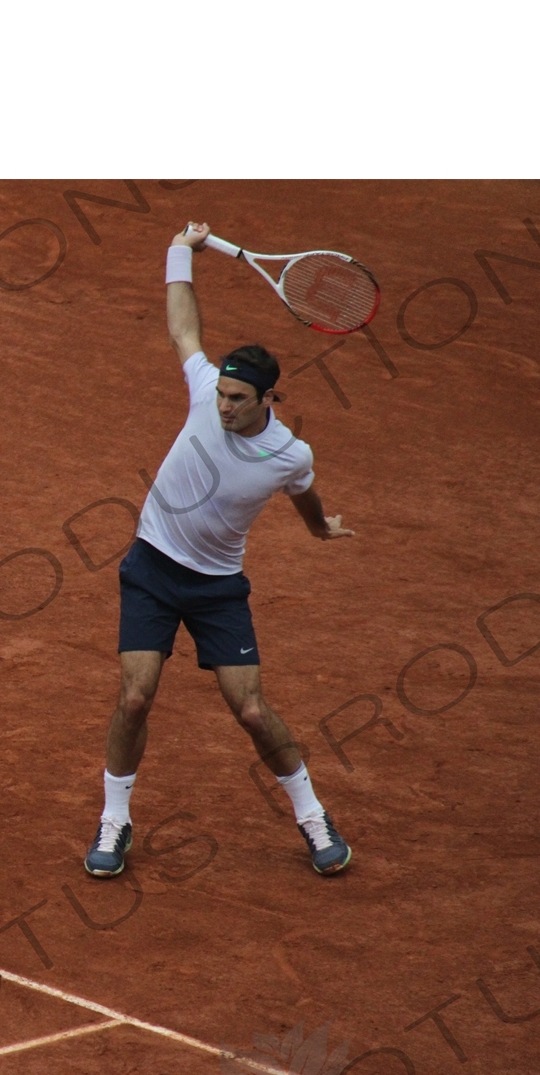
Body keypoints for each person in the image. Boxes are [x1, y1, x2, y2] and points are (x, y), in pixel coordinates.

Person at [84, 220, 355, 879]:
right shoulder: (205, 391)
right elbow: (183, 328)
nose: (224, 406)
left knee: (254, 711)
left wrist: (319, 528)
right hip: (152, 565)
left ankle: (312, 816)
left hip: (216, 588)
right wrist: (182, 249)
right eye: (223, 394)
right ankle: (115, 821)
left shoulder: (290, 454)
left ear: (268, 398)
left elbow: (303, 495)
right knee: (134, 699)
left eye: (238, 398)